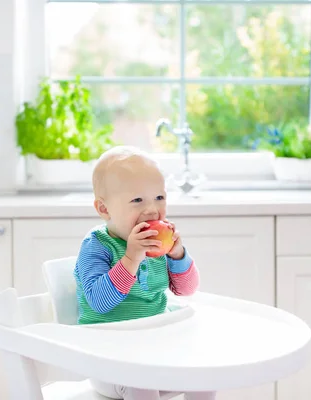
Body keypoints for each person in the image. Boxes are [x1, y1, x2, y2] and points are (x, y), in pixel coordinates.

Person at [73, 146, 216, 400]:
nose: (152, 210)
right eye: (138, 200)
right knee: (143, 382)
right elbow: (99, 302)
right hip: (108, 361)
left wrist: (177, 255)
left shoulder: (160, 244)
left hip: (156, 351)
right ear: (104, 209)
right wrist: (131, 258)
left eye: (159, 198)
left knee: (205, 370)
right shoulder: (97, 246)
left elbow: (187, 290)